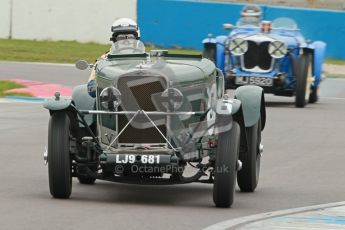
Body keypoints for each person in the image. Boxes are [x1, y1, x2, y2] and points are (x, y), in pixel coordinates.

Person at [87, 18, 142, 97]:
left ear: (136, 39)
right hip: (110, 101)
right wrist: (104, 85)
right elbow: (91, 88)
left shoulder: (146, 59)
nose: (125, 42)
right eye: (121, 38)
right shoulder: (103, 59)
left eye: (130, 38)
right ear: (114, 40)